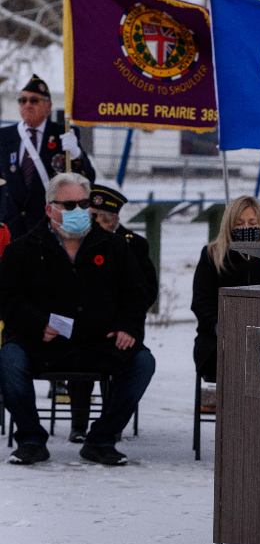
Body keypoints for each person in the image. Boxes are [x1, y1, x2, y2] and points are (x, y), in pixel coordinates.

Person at [0, 173, 154, 466]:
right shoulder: (22, 249)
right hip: (43, 343)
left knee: (143, 363)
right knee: (9, 359)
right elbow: (7, 299)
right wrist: (36, 323)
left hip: (99, 342)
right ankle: (31, 439)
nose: (78, 211)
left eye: (83, 204)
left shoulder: (115, 247)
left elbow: (136, 294)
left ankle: (101, 439)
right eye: (69, 205)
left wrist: (127, 326)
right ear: (49, 209)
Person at [66, 184, 159, 443]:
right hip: (86, 322)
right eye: (90, 214)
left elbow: (146, 289)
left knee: (125, 361)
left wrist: (123, 320)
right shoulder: (76, 243)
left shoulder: (134, 245)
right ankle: (79, 423)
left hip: (122, 324)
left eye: (98, 216)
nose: (92, 220)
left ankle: (109, 423)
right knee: (78, 351)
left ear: (114, 218)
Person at [191, 196, 260, 382]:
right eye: (239, 224)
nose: (246, 228)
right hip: (220, 340)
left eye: (252, 222)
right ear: (229, 226)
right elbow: (202, 301)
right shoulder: (212, 255)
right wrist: (223, 327)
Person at [0, 74, 95, 240]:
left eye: (34, 100)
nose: (27, 105)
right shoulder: (5, 136)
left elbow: (87, 177)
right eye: (23, 100)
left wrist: (76, 154)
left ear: (48, 105)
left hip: (47, 227)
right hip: (10, 227)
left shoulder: (63, 134)